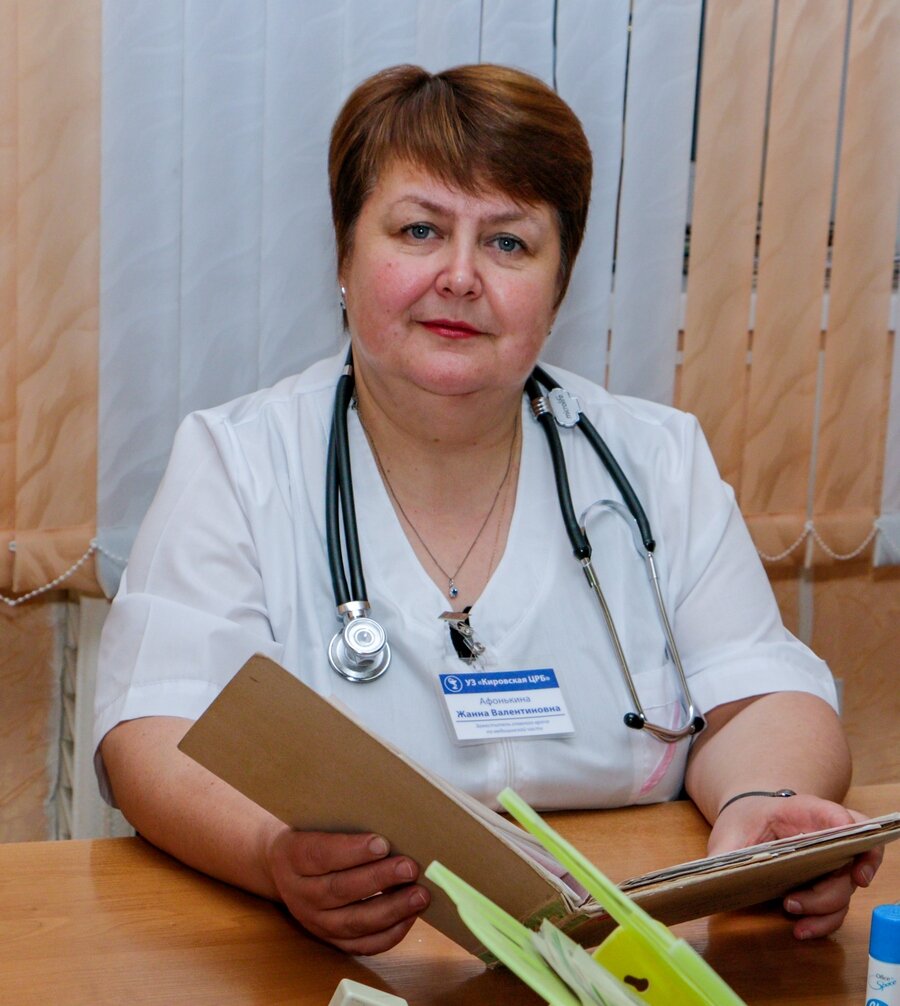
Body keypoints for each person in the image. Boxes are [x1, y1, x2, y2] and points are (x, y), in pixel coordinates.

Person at [94, 63, 882, 957]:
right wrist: (273, 854)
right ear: (345, 257)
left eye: (509, 243)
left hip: (630, 943)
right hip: (355, 958)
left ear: (559, 285)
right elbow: (157, 730)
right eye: (419, 230)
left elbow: (759, 696)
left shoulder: (654, 460)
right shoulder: (239, 461)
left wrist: (764, 811)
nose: (461, 276)